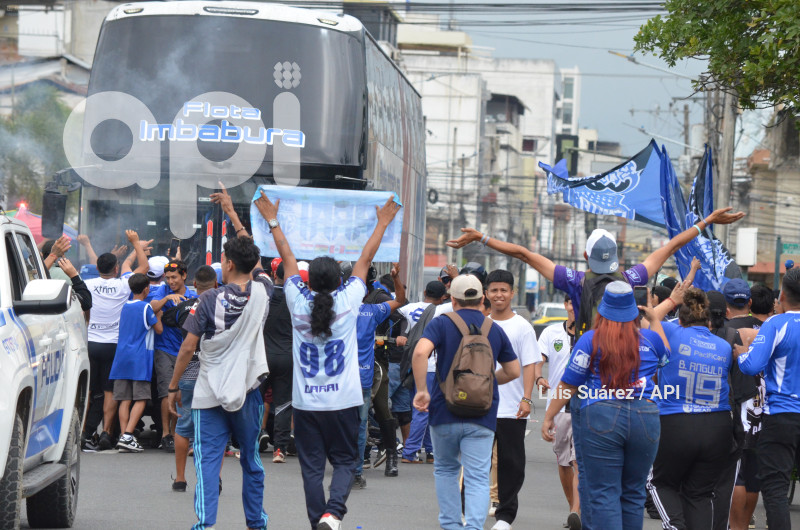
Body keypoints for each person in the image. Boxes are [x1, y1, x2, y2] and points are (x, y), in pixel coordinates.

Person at [255, 190, 401, 530]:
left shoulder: (295, 300)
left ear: (308, 281)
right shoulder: (351, 300)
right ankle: (333, 514)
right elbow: (365, 259)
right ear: (340, 280)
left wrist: (272, 219)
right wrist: (382, 222)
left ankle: (317, 520)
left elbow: (287, 256)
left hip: (306, 403)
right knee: (347, 460)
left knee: (311, 467)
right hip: (345, 400)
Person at [446, 207, 745, 329]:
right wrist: (707, 221)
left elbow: (524, 254)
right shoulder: (632, 277)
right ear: (615, 255)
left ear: (587, 255)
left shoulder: (574, 280)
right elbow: (670, 247)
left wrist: (482, 237)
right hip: (626, 364)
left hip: (587, 359)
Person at [542, 281, 669, 530]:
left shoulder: (590, 340)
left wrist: (549, 416)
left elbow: (569, 384)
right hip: (646, 416)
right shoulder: (651, 339)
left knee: (604, 493)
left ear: (601, 311)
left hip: (601, 415)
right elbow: (666, 356)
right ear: (634, 311)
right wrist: (654, 320)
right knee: (633, 494)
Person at [168, 235, 273, 530]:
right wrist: (233, 215)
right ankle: (256, 523)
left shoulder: (208, 300)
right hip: (248, 390)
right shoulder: (263, 292)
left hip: (208, 392)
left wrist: (173, 387)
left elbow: (188, 348)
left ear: (227, 264)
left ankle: (205, 525)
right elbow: (260, 267)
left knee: (207, 464)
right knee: (250, 460)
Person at [411, 274, 520, 530]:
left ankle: (450, 525)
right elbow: (514, 371)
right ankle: (473, 527)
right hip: (482, 414)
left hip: (444, 410)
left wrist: (421, 391)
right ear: (483, 298)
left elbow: (419, 352)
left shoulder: (441, 323)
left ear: (453, 299)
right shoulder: (494, 328)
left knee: (447, 470)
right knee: (478, 477)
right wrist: (486, 382)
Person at [648, 287, 735, 529]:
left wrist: (670, 301)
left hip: (677, 422)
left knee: (660, 483)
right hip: (717, 426)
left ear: (681, 319)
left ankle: (675, 526)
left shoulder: (670, 331)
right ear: (708, 321)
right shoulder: (723, 347)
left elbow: (648, 318)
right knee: (701, 493)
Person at [737, 267, 800, 530]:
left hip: (782, 417)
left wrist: (741, 353)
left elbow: (751, 366)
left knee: (775, 489)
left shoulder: (777, 324)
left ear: (782, 295)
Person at [485, 270, 544, 530]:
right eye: (494, 290)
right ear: (486, 293)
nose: (499, 295)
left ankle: (505, 516)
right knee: (477, 462)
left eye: (503, 290)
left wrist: (526, 399)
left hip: (511, 409)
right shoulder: (481, 323)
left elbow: (531, 364)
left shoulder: (522, 327)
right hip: (481, 406)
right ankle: (471, 509)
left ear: (512, 293)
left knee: (511, 464)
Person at [82, 230, 149, 451]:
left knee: (89, 391)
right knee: (110, 391)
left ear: (97, 269)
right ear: (117, 269)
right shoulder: (123, 285)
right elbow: (144, 269)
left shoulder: (88, 284)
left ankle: (83, 430)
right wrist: (135, 244)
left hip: (90, 343)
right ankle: (106, 432)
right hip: (113, 345)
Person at [161, 265, 218, 492]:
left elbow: (166, 318)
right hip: (214, 372)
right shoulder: (222, 306)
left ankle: (181, 478)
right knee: (214, 427)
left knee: (184, 425)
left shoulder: (184, 306)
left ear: (194, 285)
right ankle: (213, 479)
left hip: (188, 371)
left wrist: (172, 385)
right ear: (216, 285)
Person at [354, 263, 406, 488]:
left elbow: (400, 316)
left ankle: (392, 454)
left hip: (376, 361)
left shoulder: (377, 297)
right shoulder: (345, 301)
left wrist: (393, 337)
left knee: (381, 405)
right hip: (349, 364)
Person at [728, 284, 772, 530]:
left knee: (739, 472)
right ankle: (743, 525)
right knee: (753, 472)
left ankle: (736, 526)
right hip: (765, 406)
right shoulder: (772, 328)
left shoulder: (732, 330)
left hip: (740, 406)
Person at [537, 294, 580, 530]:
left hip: (586, 406)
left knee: (578, 462)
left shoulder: (593, 333)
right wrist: (539, 376)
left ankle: (577, 510)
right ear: (566, 305)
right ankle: (572, 508)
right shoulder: (551, 333)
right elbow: (537, 360)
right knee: (564, 462)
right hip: (559, 406)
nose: (574, 307)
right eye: (571, 302)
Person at [109, 273, 163, 453]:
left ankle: (125, 436)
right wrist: (160, 313)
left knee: (124, 399)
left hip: (120, 357)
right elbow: (159, 329)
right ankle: (128, 435)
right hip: (139, 359)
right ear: (146, 289)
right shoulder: (146, 307)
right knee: (141, 398)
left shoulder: (124, 306)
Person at [150, 258, 197, 452]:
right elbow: (151, 308)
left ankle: (180, 433)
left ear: (184, 276)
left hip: (186, 352)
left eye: (174, 277)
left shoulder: (193, 295)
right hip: (165, 350)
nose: (171, 281)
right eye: (168, 278)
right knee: (165, 393)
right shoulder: (163, 291)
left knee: (182, 394)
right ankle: (165, 434)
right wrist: (166, 299)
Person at [399, 281, 448, 465]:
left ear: (425, 291)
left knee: (422, 408)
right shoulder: (443, 310)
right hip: (431, 364)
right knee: (425, 409)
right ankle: (410, 451)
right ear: (443, 296)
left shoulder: (408, 308)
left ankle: (430, 450)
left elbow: (399, 325)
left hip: (411, 363)